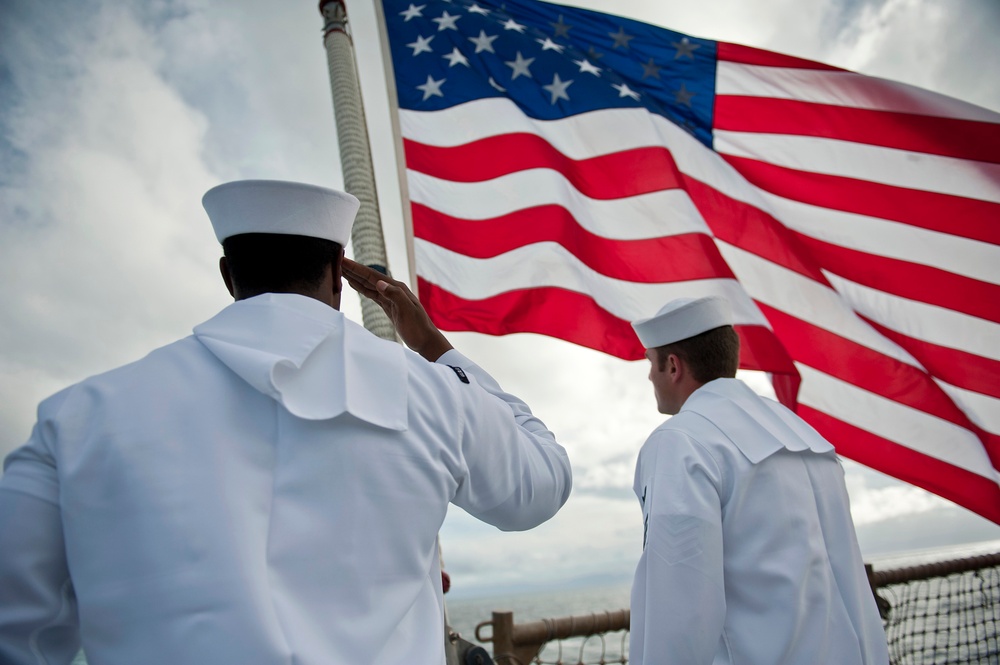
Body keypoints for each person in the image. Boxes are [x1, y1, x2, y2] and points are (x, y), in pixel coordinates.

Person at [0, 180, 572, 665]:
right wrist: (436, 349)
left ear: (229, 274)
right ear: (335, 275)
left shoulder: (78, 418)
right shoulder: (434, 395)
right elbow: (541, 485)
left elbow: (18, 630)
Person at [628, 295, 888, 664]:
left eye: (650, 364)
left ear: (672, 366)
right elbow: (852, 589)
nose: (650, 376)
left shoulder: (682, 442)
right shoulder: (804, 436)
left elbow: (679, 609)